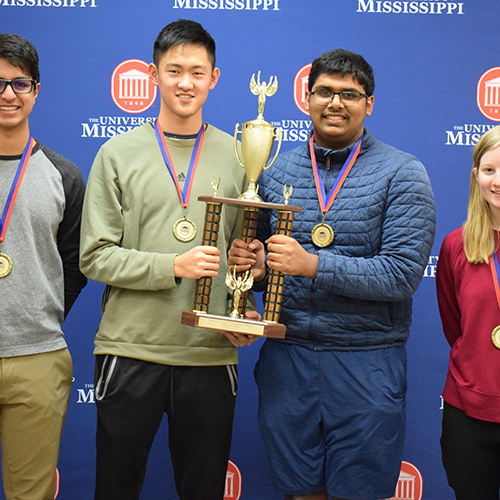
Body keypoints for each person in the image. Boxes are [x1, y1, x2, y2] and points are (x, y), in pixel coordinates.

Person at [229, 49, 436, 500]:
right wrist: (257, 270)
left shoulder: (403, 173)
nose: (335, 102)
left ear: (369, 103)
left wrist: (313, 264)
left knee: (359, 493)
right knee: (299, 492)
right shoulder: (273, 171)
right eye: (324, 91)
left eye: (349, 94)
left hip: (367, 362)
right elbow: (265, 269)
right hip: (290, 359)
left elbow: (402, 275)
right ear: (307, 97)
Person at [80, 19, 259, 500]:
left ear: (214, 78)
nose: (185, 82)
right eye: (174, 70)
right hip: (130, 350)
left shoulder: (242, 156)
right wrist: (172, 266)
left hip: (208, 353)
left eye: (197, 72)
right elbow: (95, 257)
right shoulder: (117, 153)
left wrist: (247, 292)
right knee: (115, 488)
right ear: (154, 75)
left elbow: (242, 259)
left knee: (202, 491)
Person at [0, 34, 87, 500]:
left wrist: (40, 312)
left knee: (30, 494)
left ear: (36, 89)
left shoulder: (64, 174)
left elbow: (74, 266)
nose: (8, 94)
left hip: (37, 356)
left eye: (19, 83)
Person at [436, 125, 500, 500]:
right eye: (489, 170)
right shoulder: (456, 246)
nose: (497, 181)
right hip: (468, 413)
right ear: (475, 176)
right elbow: (454, 326)